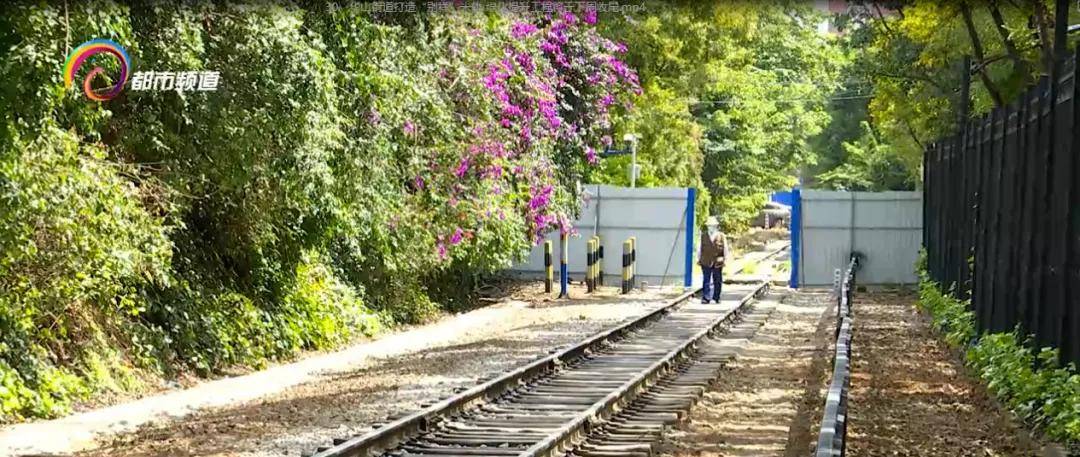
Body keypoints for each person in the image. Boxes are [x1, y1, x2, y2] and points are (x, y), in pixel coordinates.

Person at [698, 216, 728, 304]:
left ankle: (716, 297)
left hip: (718, 261)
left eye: (713, 226)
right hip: (705, 260)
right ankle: (706, 297)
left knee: (718, 280)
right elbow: (699, 248)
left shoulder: (721, 236)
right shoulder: (703, 236)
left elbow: (725, 248)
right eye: (709, 226)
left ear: (716, 226)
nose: (711, 227)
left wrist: (725, 259)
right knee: (706, 279)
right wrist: (698, 258)